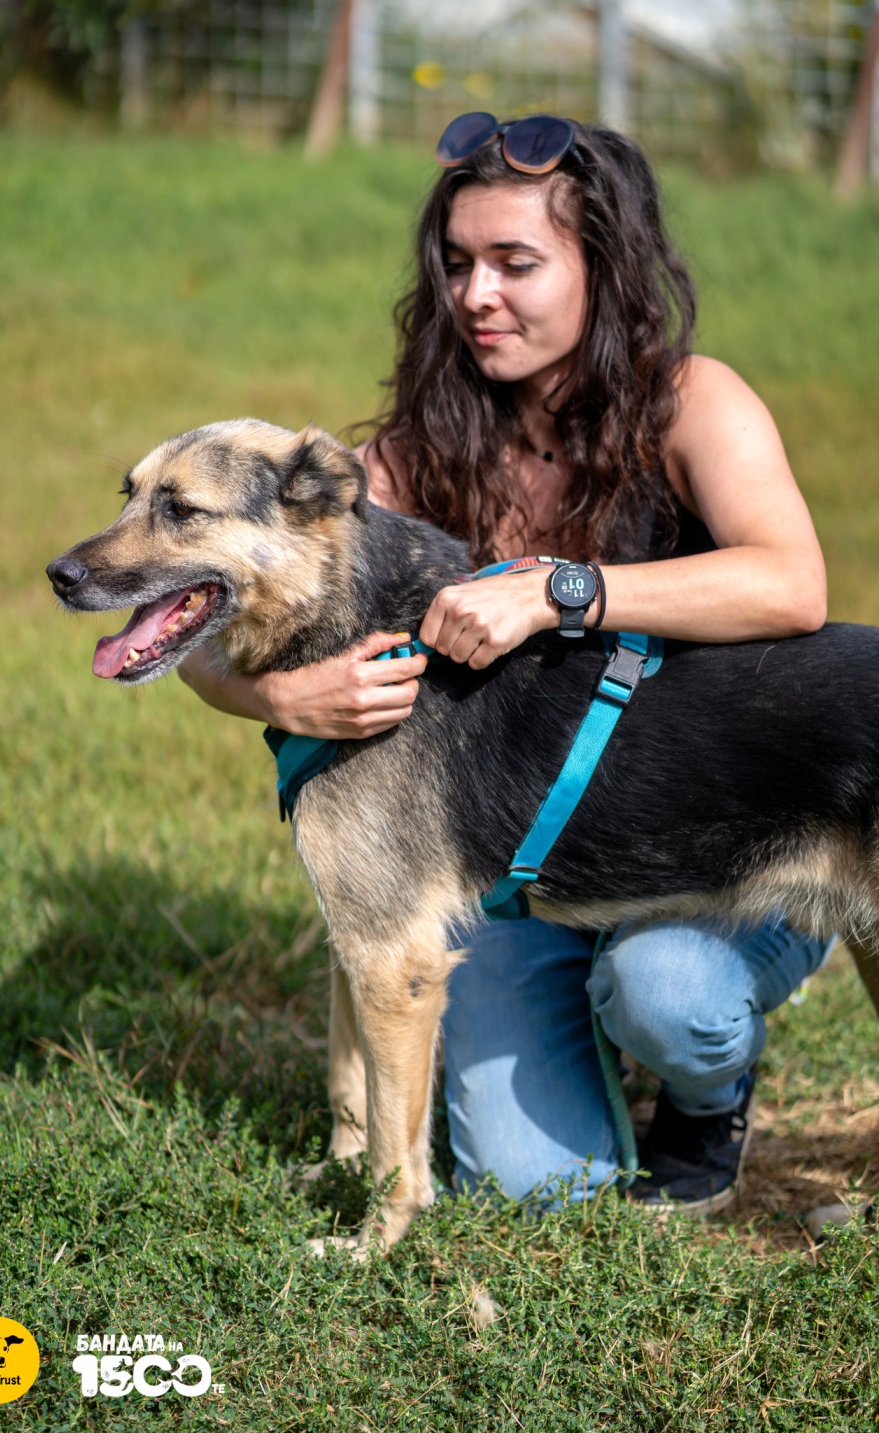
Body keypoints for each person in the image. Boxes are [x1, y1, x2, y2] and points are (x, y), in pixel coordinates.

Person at [179, 113, 832, 1214]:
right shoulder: (409, 450)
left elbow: (789, 584)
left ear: (600, 266)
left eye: (515, 263)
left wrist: (560, 588)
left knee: (665, 992)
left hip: (714, 829)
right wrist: (278, 692)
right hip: (519, 874)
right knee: (534, 1185)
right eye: (456, 263)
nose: (476, 294)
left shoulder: (691, 401)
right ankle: (586, 1038)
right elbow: (233, 611)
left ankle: (703, 1083)